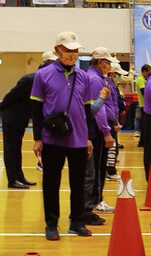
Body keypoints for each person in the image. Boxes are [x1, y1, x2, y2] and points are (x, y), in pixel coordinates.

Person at [31, 31, 100, 240]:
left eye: (75, 50)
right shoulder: (43, 75)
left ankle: (77, 221)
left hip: (78, 139)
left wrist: (88, 137)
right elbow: (36, 107)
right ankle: (51, 223)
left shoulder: (84, 77)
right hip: (52, 138)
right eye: (68, 50)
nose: (72, 54)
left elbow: (88, 110)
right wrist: (37, 138)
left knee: (78, 182)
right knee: (51, 182)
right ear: (57, 50)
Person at [0, 51, 57, 189]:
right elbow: (12, 94)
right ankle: (12, 180)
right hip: (11, 118)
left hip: (21, 118)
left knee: (17, 149)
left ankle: (19, 176)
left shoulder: (44, 81)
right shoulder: (29, 79)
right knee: (10, 149)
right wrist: (1, 106)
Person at [85, 47, 116, 215]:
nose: (109, 65)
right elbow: (99, 107)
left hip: (95, 128)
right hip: (96, 129)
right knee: (97, 167)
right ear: (100, 62)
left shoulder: (93, 76)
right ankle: (96, 200)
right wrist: (106, 132)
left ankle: (94, 199)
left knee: (95, 167)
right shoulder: (96, 80)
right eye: (108, 62)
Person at [105, 62, 128, 181]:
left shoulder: (113, 86)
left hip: (112, 119)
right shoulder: (108, 86)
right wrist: (115, 121)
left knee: (112, 147)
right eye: (117, 74)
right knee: (112, 148)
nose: (119, 76)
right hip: (109, 121)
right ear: (112, 74)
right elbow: (111, 105)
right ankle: (110, 171)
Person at [134, 64, 151, 147]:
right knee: (144, 124)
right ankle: (142, 141)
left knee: (145, 124)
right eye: (149, 71)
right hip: (143, 104)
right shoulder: (140, 79)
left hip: (145, 104)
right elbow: (144, 92)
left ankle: (144, 140)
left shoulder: (144, 79)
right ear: (144, 71)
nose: (150, 73)